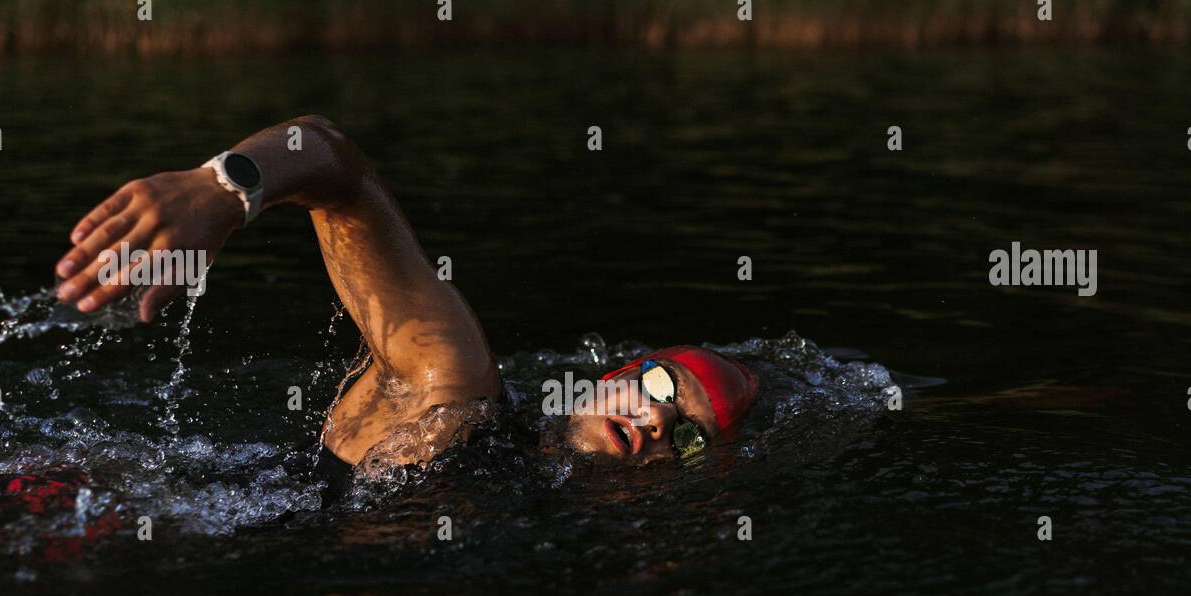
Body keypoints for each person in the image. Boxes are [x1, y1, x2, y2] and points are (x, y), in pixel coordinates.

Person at [51, 115, 758, 477]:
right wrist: (225, 188)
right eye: (662, 385)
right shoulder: (453, 390)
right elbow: (340, 169)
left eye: (688, 434)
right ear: (612, 376)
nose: (659, 420)